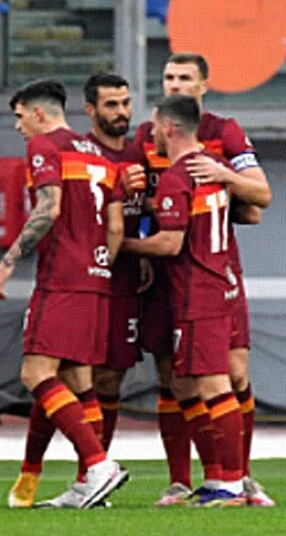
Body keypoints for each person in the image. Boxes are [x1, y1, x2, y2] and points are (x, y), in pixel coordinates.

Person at [134, 53, 274, 507]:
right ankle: (190, 478)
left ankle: (235, 477)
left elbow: (258, 200)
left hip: (204, 274)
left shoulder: (222, 133)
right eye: (168, 76)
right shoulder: (145, 137)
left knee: (226, 376)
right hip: (171, 277)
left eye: (184, 78)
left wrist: (224, 176)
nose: (175, 84)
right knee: (176, 376)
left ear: (204, 85)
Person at [0, 79, 128, 509]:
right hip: (97, 277)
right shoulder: (101, 155)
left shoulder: (45, 147)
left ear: (38, 113)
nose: (18, 127)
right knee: (77, 382)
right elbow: (117, 227)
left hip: (62, 278)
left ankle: (99, 464)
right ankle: (87, 485)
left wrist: (7, 262)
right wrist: (98, 264)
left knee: (34, 374)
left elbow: (48, 208)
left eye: (18, 116)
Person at [124, 95, 246, 507]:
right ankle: (217, 478)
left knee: (212, 384)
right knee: (190, 382)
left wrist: (122, 245)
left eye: (155, 127)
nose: (152, 134)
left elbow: (170, 242)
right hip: (221, 282)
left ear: (171, 128)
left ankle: (231, 483)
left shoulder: (178, 175)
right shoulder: (215, 169)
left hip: (198, 291)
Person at [83, 73, 148, 453]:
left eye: (125, 103)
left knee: (111, 378)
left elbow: (155, 210)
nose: (122, 112)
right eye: (111, 104)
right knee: (79, 376)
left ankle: (100, 463)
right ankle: (83, 465)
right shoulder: (81, 155)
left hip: (125, 281)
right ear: (91, 109)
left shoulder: (140, 154)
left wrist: (141, 250)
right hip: (88, 278)